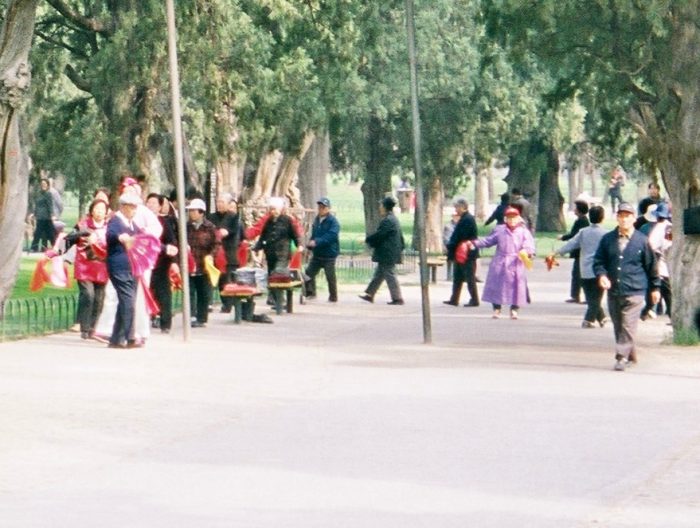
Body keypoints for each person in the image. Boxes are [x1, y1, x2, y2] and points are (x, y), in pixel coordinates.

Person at [593, 202, 660, 371]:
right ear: (617, 217)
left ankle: (621, 357)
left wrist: (655, 288)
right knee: (619, 325)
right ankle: (631, 355)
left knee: (628, 324)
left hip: (635, 290)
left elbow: (651, 266)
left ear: (633, 218)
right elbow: (599, 261)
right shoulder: (607, 239)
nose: (624, 219)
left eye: (627, 216)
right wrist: (601, 275)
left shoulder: (642, 241)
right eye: (621, 216)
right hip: (614, 290)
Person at [470, 206, 535, 320]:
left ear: (519, 219)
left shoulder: (524, 232)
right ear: (505, 219)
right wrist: (474, 243)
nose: (511, 221)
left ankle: (514, 309)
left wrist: (525, 251)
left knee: (517, 286)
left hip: (516, 262)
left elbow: (529, 246)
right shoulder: (500, 230)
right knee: (496, 285)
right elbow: (488, 241)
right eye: (509, 218)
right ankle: (497, 309)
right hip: (500, 260)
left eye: (514, 218)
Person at [553, 205, 607, 328]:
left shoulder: (583, 232)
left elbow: (571, 244)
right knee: (596, 298)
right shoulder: (606, 234)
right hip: (600, 271)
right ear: (602, 218)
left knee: (591, 298)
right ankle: (588, 320)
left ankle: (602, 317)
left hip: (584, 269)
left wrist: (557, 252)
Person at [65, 199, 109, 341]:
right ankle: (84, 327)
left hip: (101, 267)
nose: (99, 212)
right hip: (84, 266)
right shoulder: (82, 226)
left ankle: (93, 328)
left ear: (106, 212)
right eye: (96, 209)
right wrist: (55, 253)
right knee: (88, 295)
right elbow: (68, 240)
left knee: (99, 298)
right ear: (91, 211)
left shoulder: (109, 227)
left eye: (102, 209)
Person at [105, 193, 142, 349]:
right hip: (119, 267)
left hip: (132, 267)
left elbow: (143, 239)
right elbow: (111, 234)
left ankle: (116, 338)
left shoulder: (132, 224)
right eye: (131, 206)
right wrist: (121, 237)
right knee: (128, 301)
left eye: (135, 207)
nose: (134, 210)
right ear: (123, 206)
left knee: (126, 302)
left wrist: (165, 247)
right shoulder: (116, 221)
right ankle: (130, 337)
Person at [359, 196, 405, 305]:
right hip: (389, 252)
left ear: (385, 207)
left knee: (389, 274)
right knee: (379, 274)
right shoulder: (392, 219)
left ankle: (398, 298)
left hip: (388, 253)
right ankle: (370, 294)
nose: (379, 207)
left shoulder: (388, 221)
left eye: (381, 205)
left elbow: (380, 235)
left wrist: (367, 240)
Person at [146, 193, 179, 333]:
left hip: (160, 263)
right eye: (149, 202)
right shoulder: (141, 220)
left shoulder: (164, 222)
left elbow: (172, 242)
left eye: (154, 203)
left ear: (160, 206)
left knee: (163, 294)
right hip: (144, 263)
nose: (151, 205)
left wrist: (173, 261)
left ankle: (165, 323)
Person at [209, 193, 245, 313]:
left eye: (222, 202)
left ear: (229, 204)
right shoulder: (211, 217)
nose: (219, 204)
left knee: (228, 280)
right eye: (218, 202)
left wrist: (224, 232)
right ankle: (225, 303)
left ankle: (229, 304)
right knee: (219, 280)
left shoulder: (233, 217)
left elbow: (231, 231)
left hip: (229, 254)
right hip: (215, 252)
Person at [186, 198, 217, 327]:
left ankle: (202, 317)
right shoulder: (186, 226)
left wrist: (211, 255)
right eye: (190, 210)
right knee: (190, 291)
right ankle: (191, 315)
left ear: (201, 212)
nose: (191, 213)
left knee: (203, 292)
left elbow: (216, 244)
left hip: (204, 264)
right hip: (189, 264)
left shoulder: (209, 227)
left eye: (194, 210)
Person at [444, 198, 479, 307]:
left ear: (463, 207)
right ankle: (454, 299)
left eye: (457, 207)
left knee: (469, 277)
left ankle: (474, 299)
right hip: (459, 252)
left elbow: (460, 236)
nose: (456, 210)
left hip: (467, 253)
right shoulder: (464, 218)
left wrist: (450, 246)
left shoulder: (467, 219)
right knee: (457, 277)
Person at [304, 197, 340, 302]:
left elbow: (331, 236)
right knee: (308, 273)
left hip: (329, 254)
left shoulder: (333, 222)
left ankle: (333, 296)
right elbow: (314, 234)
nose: (321, 209)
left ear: (328, 208)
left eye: (323, 207)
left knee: (330, 276)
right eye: (319, 207)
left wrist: (317, 242)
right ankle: (311, 292)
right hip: (317, 254)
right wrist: (310, 244)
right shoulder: (316, 220)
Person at [643, 202, 672, 321]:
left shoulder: (659, 228)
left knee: (660, 291)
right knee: (666, 292)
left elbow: (651, 246)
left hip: (659, 264)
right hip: (668, 265)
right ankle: (649, 311)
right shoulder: (671, 226)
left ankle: (648, 311)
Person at [558, 200, 590, 303]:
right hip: (579, 251)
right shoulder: (581, 220)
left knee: (579, 274)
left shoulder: (582, 221)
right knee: (577, 274)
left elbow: (575, 236)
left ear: (579, 210)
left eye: (576, 208)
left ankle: (580, 296)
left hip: (580, 251)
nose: (574, 210)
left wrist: (563, 237)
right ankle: (575, 295)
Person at [30, 178, 55, 252]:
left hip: (46, 217)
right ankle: (36, 247)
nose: (43, 185)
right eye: (42, 184)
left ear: (47, 185)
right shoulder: (39, 194)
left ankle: (54, 247)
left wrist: (52, 215)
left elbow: (50, 205)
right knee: (41, 232)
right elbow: (37, 205)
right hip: (40, 217)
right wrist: (34, 214)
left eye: (45, 184)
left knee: (49, 233)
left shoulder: (48, 194)